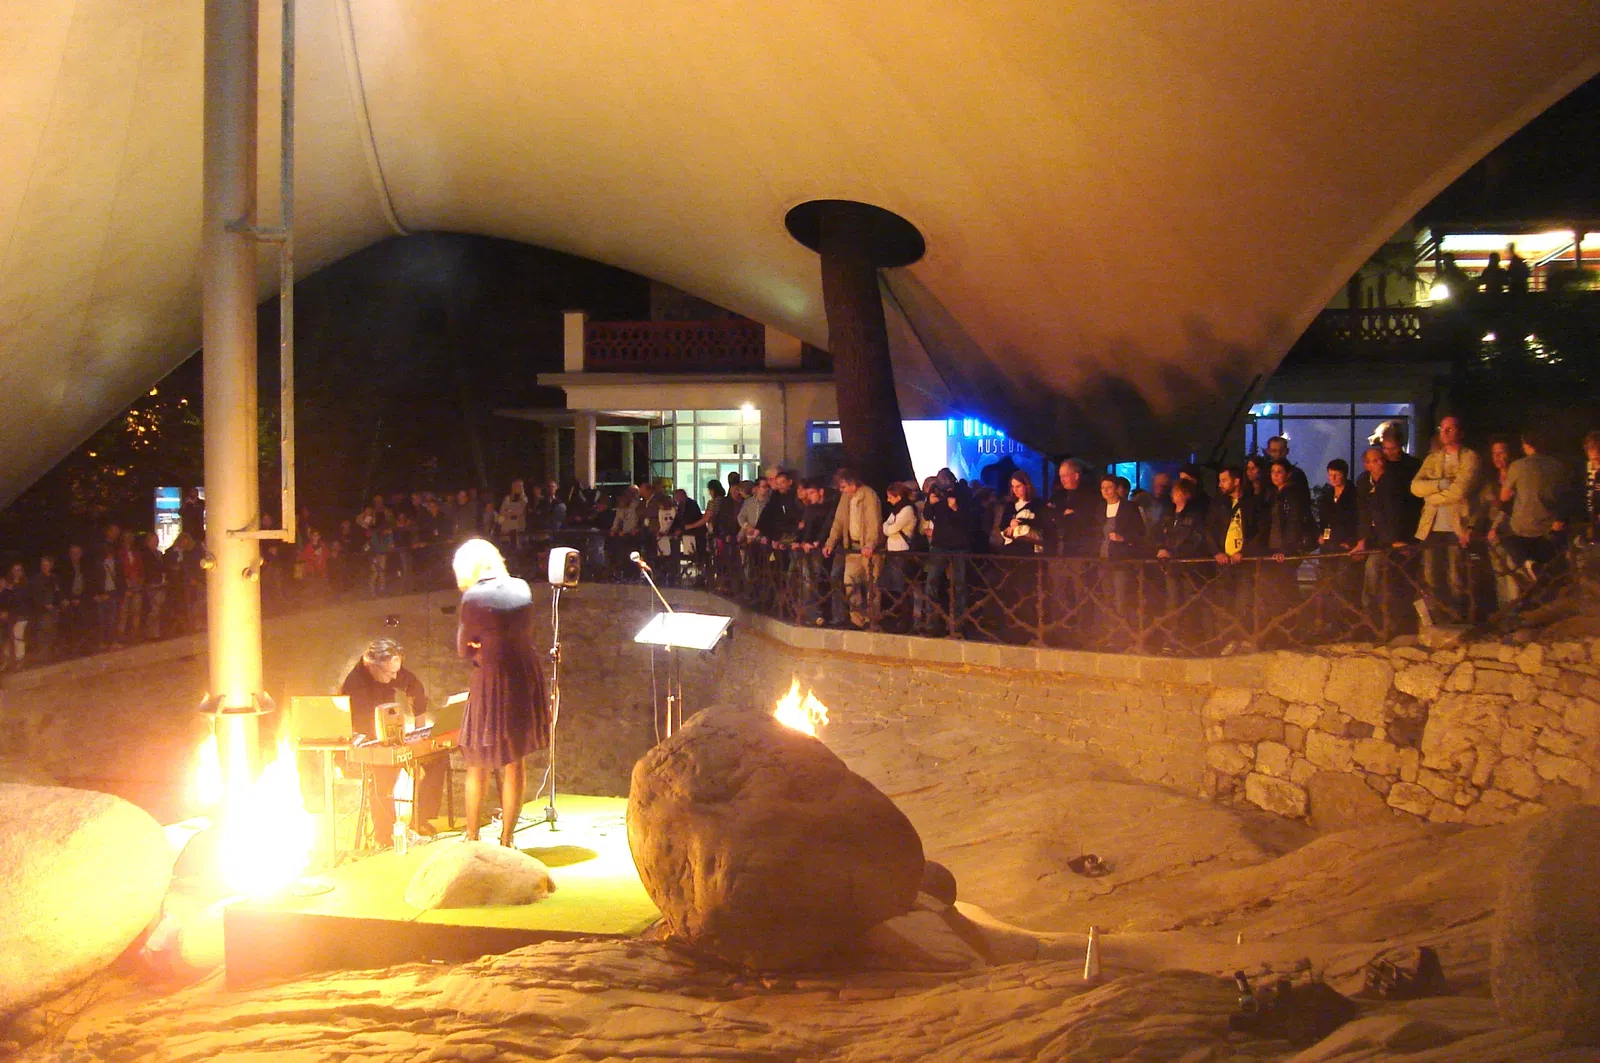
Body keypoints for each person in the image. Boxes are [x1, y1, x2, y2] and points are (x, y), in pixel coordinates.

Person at [453, 539, 550, 847]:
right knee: (514, 760)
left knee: (477, 759)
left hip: (491, 680)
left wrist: (479, 646)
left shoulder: (473, 598)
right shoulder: (522, 587)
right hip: (523, 678)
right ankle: (507, 840)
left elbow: (462, 647)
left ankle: (472, 837)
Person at [341, 638, 446, 845]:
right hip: (369, 746)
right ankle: (385, 836)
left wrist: (419, 731)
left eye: (397, 671)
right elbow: (365, 737)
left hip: (393, 737)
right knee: (383, 775)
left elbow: (414, 686)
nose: (396, 677)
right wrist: (402, 755)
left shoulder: (389, 669)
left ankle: (419, 819)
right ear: (372, 666)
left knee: (437, 758)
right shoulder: (355, 688)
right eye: (390, 674)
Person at [1411, 416, 1480, 619]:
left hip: (1457, 526)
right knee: (1431, 575)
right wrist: (1440, 484)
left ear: (1460, 432)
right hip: (1431, 526)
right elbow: (1415, 487)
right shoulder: (1432, 459)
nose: (1445, 432)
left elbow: (1460, 491)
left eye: (1450, 428)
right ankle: (1437, 617)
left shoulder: (1470, 458)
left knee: (1455, 575)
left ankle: (1458, 617)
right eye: (1442, 428)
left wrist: (1431, 496)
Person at [1500, 427, 1573, 584]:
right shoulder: (1558, 466)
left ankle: (1525, 564)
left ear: (1526, 445)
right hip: (1550, 527)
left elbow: (1504, 496)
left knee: (1501, 532)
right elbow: (1565, 495)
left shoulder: (1518, 466)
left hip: (1523, 528)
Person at [1204, 465, 1262, 653]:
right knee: (1225, 602)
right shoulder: (1218, 504)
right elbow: (1209, 531)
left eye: (1224, 480)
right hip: (1223, 562)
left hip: (1244, 562)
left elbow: (1259, 532)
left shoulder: (1252, 504)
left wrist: (1245, 552)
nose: (1221, 484)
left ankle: (1245, 638)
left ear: (1236, 481)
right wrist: (1217, 552)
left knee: (1244, 601)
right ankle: (1228, 639)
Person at [1354, 446, 1409, 629]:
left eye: (1381, 459)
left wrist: (1394, 539)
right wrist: (1361, 540)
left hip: (1392, 539)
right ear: (1367, 464)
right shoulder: (1363, 482)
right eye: (1375, 460)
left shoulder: (1393, 481)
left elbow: (1396, 513)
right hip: (1373, 538)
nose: (1381, 463)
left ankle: (1372, 611)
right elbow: (1363, 513)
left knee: (1375, 567)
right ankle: (1364, 616)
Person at [823, 468, 883, 628]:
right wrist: (830, 542)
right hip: (853, 548)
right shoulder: (845, 498)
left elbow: (873, 522)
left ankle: (872, 619)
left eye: (843, 487)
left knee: (872, 585)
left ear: (852, 483)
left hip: (868, 548)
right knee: (849, 582)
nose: (842, 491)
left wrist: (870, 544)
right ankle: (857, 620)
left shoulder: (869, 496)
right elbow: (839, 521)